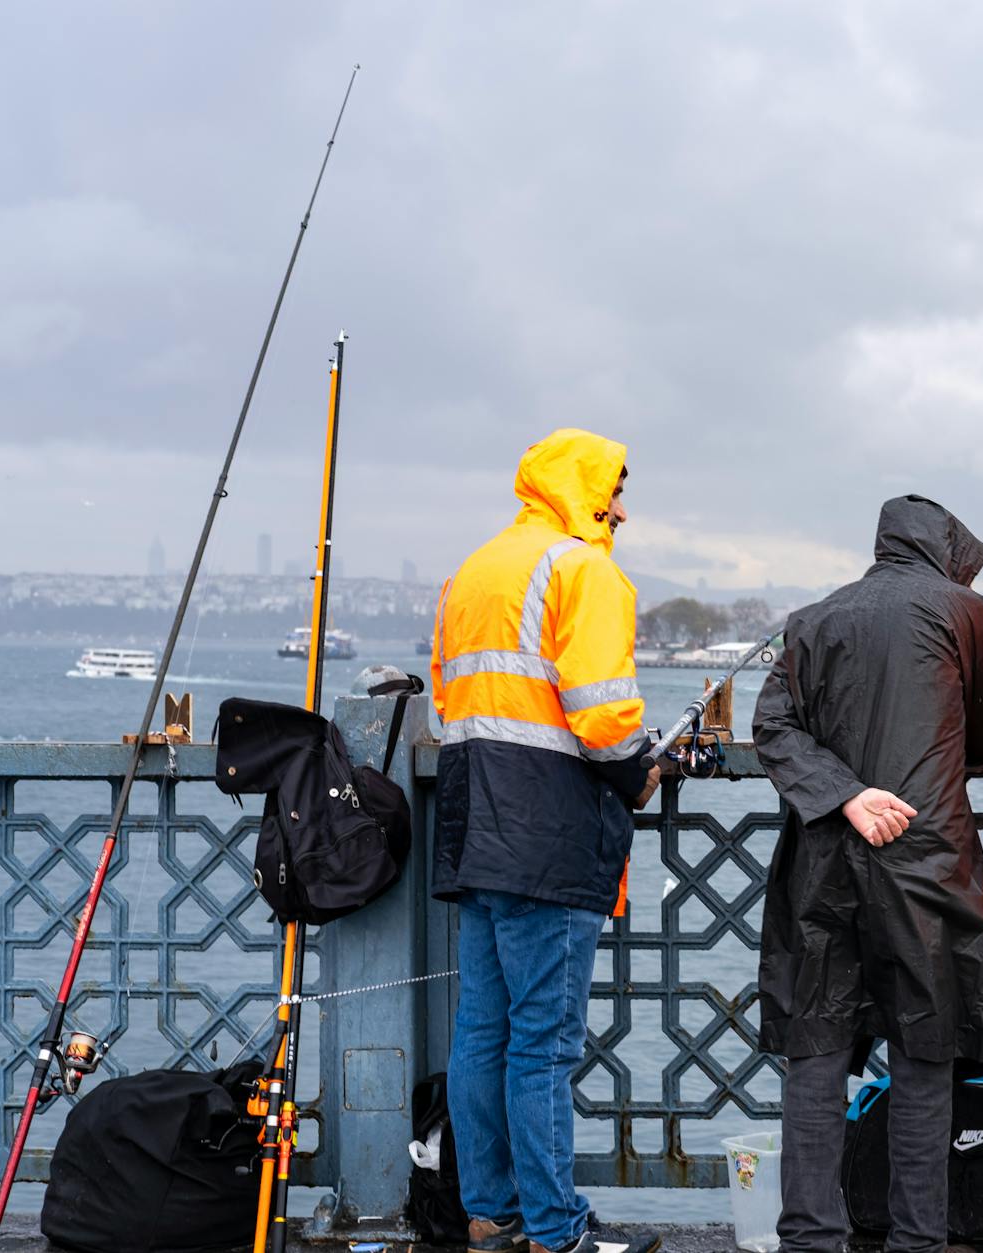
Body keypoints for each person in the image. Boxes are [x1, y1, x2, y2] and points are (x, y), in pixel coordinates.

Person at [754, 495, 983, 1253]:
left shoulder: (816, 618)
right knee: (924, 1055)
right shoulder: (958, 606)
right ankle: (915, 1239)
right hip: (924, 860)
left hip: (826, 858)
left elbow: (771, 725)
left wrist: (845, 794)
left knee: (819, 1048)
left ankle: (810, 1239)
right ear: (944, 549)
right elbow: (975, 734)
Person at [430, 427, 663, 1253]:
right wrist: (643, 771)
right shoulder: (582, 569)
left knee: (481, 1033)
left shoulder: (472, 572)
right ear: (586, 491)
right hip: (549, 835)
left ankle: (492, 1214)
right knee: (543, 1043)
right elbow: (602, 714)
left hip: (472, 828)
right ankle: (557, 1231)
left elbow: (448, 703)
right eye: (616, 493)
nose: (622, 510)